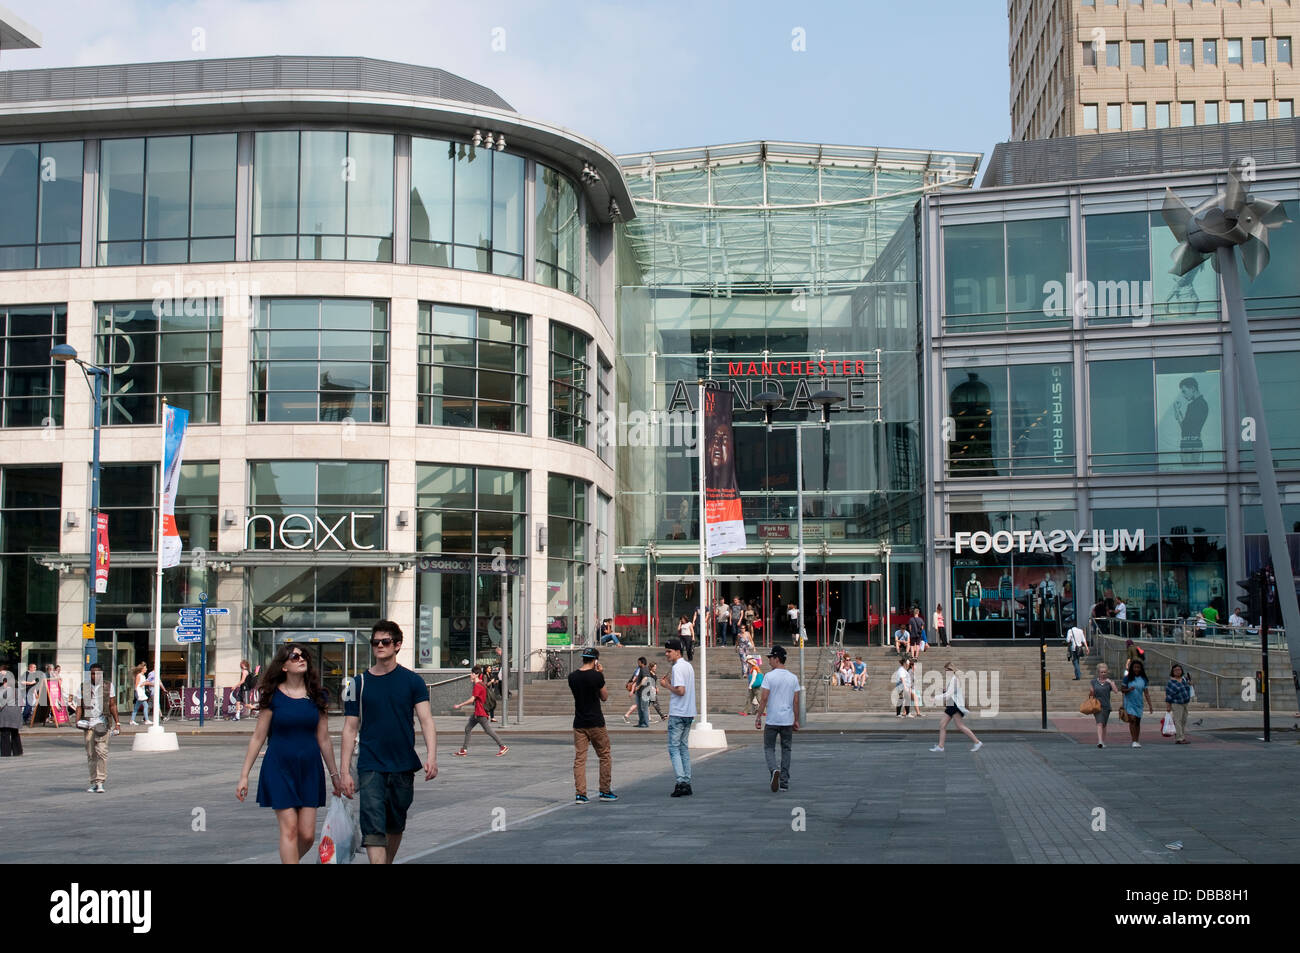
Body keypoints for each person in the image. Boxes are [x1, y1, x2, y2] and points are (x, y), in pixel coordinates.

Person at [340, 621, 438, 865]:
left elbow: (426, 721)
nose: (380, 646)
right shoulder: (357, 683)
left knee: (395, 825)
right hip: (370, 764)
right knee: (373, 826)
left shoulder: (412, 681)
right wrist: (344, 771)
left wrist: (432, 757)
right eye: (375, 642)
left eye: (385, 642)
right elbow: (349, 729)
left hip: (403, 764)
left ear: (397, 645)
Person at [236, 644, 343, 864]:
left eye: (304, 655)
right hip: (279, 767)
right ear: (284, 665)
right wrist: (244, 775)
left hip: (309, 769)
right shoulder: (272, 696)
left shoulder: (318, 695)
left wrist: (335, 776)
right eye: (295, 656)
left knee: (306, 835)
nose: (301, 658)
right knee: (291, 830)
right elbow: (258, 737)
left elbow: (323, 739)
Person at [568, 647, 616, 802]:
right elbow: (604, 697)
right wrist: (600, 674)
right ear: (596, 660)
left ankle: (580, 794)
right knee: (604, 756)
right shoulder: (596, 676)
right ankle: (605, 791)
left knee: (580, 759)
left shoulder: (572, 677)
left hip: (579, 722)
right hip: (596, 722)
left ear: (583, 658)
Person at [754, 644, 800, 792]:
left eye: (771, 658)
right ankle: (784, 782)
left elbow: (764, 698)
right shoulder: (793, 678)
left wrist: (758, 716)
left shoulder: (769, 676)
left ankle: (774, 769)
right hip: (787, 720)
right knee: (786, 749)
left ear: (777, 659)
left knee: (769, 748)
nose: (769, 661)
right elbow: (796, 701)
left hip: (773, 719)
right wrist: (796, 719)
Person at [75, 663, 119, 793]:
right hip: (88, 724)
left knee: (102, 752)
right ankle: (94, 781)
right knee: (91, 754)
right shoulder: (84, 687)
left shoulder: (108, 686)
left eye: (97, 673)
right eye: (92, 674)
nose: (95, 676)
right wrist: (77, 721)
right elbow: (79, 706)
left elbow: (112, 705)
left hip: (102, 724)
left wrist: (117, 723)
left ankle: (100, 781)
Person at [660, 638, 696, 796]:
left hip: (678, 712)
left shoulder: (678, 668)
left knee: (674, 748)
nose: (667, 654)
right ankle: (686, 781)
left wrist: (666, 685)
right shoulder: (688, 666)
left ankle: (681, 781)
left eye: (669, 651)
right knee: (683, 748)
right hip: (689, 712)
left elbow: (681, 690)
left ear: (677, 652)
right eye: (666, 651)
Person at [452, 666, 509, 757]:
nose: (470, 675)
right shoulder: (481, 684)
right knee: (468, 728)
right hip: (478, 712)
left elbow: (472, 700)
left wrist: (460, 705)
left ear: (476, 675)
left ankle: (502, 746)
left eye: (472, 674)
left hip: (480, 713)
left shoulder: (478, 686)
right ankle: (463, 750)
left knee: (488, 730)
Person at [929, 662, 983, 753]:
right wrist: (945, 690)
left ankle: (977, 742)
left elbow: (948, 695)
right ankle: (941, 746)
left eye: (947, 670)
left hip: (955, 705)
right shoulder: (952, 680)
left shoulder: (954, 680)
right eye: (945, 670)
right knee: (944, 725)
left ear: (951, 670)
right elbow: (950, 692)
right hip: (952, 704)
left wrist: (935, 698)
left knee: (957, 725)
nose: (945, 672)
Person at [1120, 658, 1154, 748]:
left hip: (1139, 703)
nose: (1136, 669)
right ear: (1132, 668)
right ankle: (1133, 740)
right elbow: (1122, 690)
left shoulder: (1144, 679)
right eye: (1135, 667)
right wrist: (1128, 689)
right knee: (1132, 720)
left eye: (1138, 667)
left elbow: (1146, 693)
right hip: (1129, 702)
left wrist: (1150, 705)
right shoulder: (1127, 678)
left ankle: (1137, 739)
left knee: (1138, 722)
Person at [1089, 663, 1120, 748]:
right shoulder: (1093, 682)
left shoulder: (1109, 682)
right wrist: (1091, 692)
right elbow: (1091, 693)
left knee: (1104, 724)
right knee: (1099, 723)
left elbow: (1116, 691)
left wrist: (1111, 683)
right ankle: (1099, 741)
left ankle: (1103, 741)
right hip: (1097, 706)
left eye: (1105, 672)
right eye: (1101, 672)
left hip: (1106, 706)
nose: (1103, 674)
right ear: (1098, 673)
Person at [1164, 662, 1193, 745]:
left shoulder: (1184, 679)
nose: (1177, 671)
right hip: (1176, 703)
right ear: (1172, 672)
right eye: (1175, 670)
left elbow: (1189, 688)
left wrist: (1190, 683)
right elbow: (1168, 695)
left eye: (1179, 670)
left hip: (1185, 703)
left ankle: (1182, 736)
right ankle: (1179, 738)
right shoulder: (1171, 682)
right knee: (1178, 720)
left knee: (1184, 720)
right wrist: (1168, 706)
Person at [0, 665, 22, 756]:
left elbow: (1, 703)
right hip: (16, 713)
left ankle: (6, 752)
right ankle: (18, 751)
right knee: (15, 733)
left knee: (5, 734)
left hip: (6, 714)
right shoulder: (17, 689)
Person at [622, 656, 649, 726]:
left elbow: (645, 678)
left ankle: (645, 723)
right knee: (640, 708)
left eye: (638, 662)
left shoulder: (644, 669)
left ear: (642, 663)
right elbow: (638, 678)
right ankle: (641, 723)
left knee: (643, 708)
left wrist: (638, 686)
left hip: (644, 691)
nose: (637, 663)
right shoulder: (641, 669)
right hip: (640, 692)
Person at [21, 662, 40, 727]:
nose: (35, 668)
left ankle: (26, 718)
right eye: (34, 667)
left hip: (31, 692)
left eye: (35, 667)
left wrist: (35, 694)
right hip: (26, 691)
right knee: (28, 705)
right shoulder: (26, 674)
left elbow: (34, 686)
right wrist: (31, 683)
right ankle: (23, 718)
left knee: (30, 706)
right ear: (30, 668)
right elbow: (22, 682)